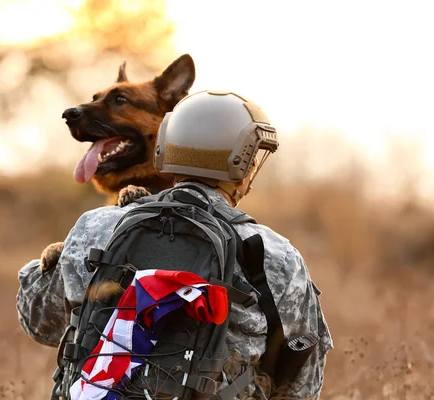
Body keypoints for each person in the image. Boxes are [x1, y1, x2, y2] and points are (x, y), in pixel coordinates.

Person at [17, 90, 333, 399]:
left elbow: (40, 323)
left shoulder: (98, 227)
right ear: (243, 164)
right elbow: (301, 385)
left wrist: (51, 263)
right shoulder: (275, 256)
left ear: (166, 148)